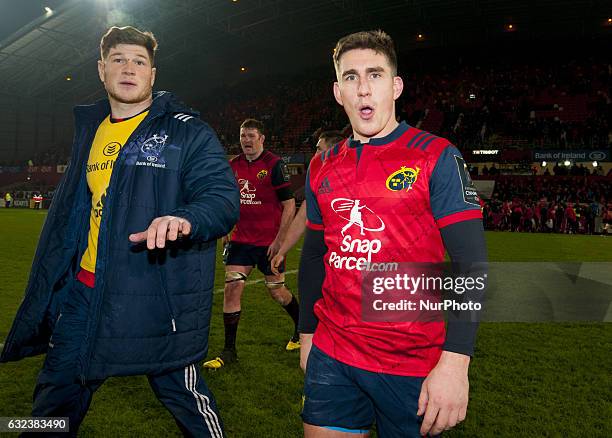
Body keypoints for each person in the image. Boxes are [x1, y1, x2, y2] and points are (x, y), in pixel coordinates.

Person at [0, 26, 239, 437]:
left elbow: (221, 197)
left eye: (139, 61)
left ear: (153, 73)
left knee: (187, 400)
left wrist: (185, 219)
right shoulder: (90, 131)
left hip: (155, 295)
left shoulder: (186, 132)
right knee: (53, 400)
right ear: (101, 69)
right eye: (118, 60)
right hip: (85, 294)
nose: (129, 68)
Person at [298, 30, 487, 437]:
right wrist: (308, 332)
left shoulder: (436, 155)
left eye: (375, 75)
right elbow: (314, 255)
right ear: (337, 91)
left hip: (413, 364)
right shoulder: (321, 167)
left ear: (396, 85)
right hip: (334, 353)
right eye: (351, 77)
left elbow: (470, 263)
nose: (363, 88)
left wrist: (456, 363)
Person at [203, 118, 298, 370]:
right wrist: (226, 227)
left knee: (277, 292)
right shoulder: (233, 165)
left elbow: (289, 206)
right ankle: (229, 350)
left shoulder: (275, 165)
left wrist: (280, 240)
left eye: (251, 136)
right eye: (243, 135)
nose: (246, 140)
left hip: (269, 243)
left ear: (262, 138)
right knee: (232, 289)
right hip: (241, 241)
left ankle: (301, 327)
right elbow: (230, 201)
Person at [270, 130, 343, 275]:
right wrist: (282, 251)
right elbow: (302, 216)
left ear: (333, 152)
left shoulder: (353, 178)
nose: (314, 154)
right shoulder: (315, 175)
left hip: (344, 250)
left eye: (319, 149)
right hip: (317, 246)